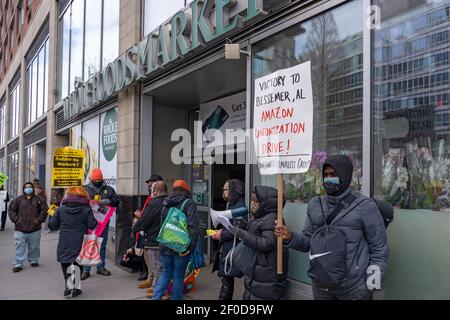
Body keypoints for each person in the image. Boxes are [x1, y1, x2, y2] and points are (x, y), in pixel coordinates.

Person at [275, 155, 389, 300]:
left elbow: (379, 249)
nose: (329, 179)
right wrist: (289, 237)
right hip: (321, 286)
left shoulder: (365, 207)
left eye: (333, 175)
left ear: (345, 175)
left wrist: (370, 286)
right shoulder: (315, 205)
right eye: (326, 175)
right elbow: (308, 243)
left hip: (354, 289)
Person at [219, 186, 289, 300]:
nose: (252, 203)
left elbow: (266, 243)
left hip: (267, 275)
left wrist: (242, 234)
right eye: (251, 200)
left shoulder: (272, 220)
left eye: (255, 201)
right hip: (258, 272)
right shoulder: (261, 217)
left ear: (266, 203)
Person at [152, 180, 199, 300]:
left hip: (165, 243)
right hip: (180, 247)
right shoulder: (189, 203)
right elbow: (193, 227)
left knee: (166, 273)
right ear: (186, 190)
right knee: (178, 276)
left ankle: (156, 297)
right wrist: (190, 247)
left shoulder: (166, 202)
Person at [49, 187, 97, 297]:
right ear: (84, 196)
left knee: (65, 261)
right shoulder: (86, 209)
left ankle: (68, 286)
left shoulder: (61, 209)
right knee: (77, 262)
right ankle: (75, 287)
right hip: (80, 240)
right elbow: (92, 225)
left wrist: (52, 215)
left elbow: (53, 226)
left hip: (64, 240)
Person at [81, 169, 120, 280]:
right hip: (89, 221)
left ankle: (100, 267)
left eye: (99, 179)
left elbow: (116, 201)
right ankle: (86, 269)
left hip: (103, 222)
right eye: (95, 179)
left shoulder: (109, 189)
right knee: (88, 244)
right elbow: (79, 202)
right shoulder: (85, 189)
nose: (97, 181)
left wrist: (105, 201)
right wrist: (91, 201)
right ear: (91, 179)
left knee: (101, 244)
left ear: (102, 179)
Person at [211, 179, 247, 300]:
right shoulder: (233, 204)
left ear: (233, 190)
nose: (223, 191)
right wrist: (221, 231)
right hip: (229, 246)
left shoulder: (239, 206)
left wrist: (221, 235)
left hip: (233, 247)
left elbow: (237, 228)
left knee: (226, 279)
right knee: (226, 279)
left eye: (225, 189)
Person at [134, 181, 168, 298]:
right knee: (163, 266)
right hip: (168, 240)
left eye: (151, 189)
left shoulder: (153, 204)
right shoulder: (169, 202)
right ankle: (156, 287)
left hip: (155, 240)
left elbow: (144, 222)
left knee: (157, 267)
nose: (150, 192)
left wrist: (136, 224)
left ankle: (159, 291)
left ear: (157, 191)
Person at [8, 182, 48, 273]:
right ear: (23, 189)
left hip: (35, 228)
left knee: (34, 246)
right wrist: (17, 220)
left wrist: (38, 220)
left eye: (30, 187)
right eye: (26, 187)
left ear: (33, 188)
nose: (28, 189)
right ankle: (18, 263)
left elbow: (44, 210)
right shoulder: (18, 199)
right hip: (20, 228)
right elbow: (11, 210)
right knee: (19, 246)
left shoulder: (39, 199)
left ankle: (33, 260)